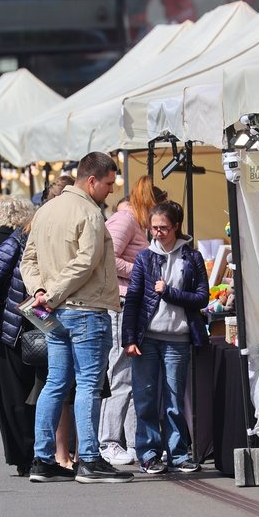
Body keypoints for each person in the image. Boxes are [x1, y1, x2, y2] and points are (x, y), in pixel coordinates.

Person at [20, 151, 132, 484]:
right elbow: (85, 262)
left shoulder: (46, 210)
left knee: (56, 383)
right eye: (110, 183)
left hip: (54, 311)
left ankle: (42, 459)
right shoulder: (90, 213)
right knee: (88, 385)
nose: (112, 190)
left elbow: (29, 260)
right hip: (84, 308)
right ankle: (90, 460)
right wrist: (51, 294)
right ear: (92, 180)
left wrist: (40, 292)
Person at [123, 200, 208, 474]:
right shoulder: (145, 257)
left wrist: (169, 292)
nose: (157, 233)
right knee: (145, 396)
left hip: (177, 338)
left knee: (173, 399)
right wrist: (129, 338)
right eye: (153, 228)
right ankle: (149, 453)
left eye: (163, 228)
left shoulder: (191, 258)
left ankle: (178, 453)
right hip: (146, 337)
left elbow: (201, 298)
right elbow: (133, 299)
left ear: (175, 227)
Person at [99, 175, 166, 466]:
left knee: (133, 376)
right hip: (122, 303)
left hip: (131, 303)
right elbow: (106, 258)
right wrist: (142, 271)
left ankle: (134, 441)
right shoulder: (125, 220)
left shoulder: (131, 221)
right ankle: (109, 441)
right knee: (121, 375)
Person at [0, 199, 38, 476]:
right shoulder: (15, 243)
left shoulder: (26, 243)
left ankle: (34, 453)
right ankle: (23, 456)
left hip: (26, 327)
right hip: (9, 330)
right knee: (15, 396)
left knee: (28, 393)